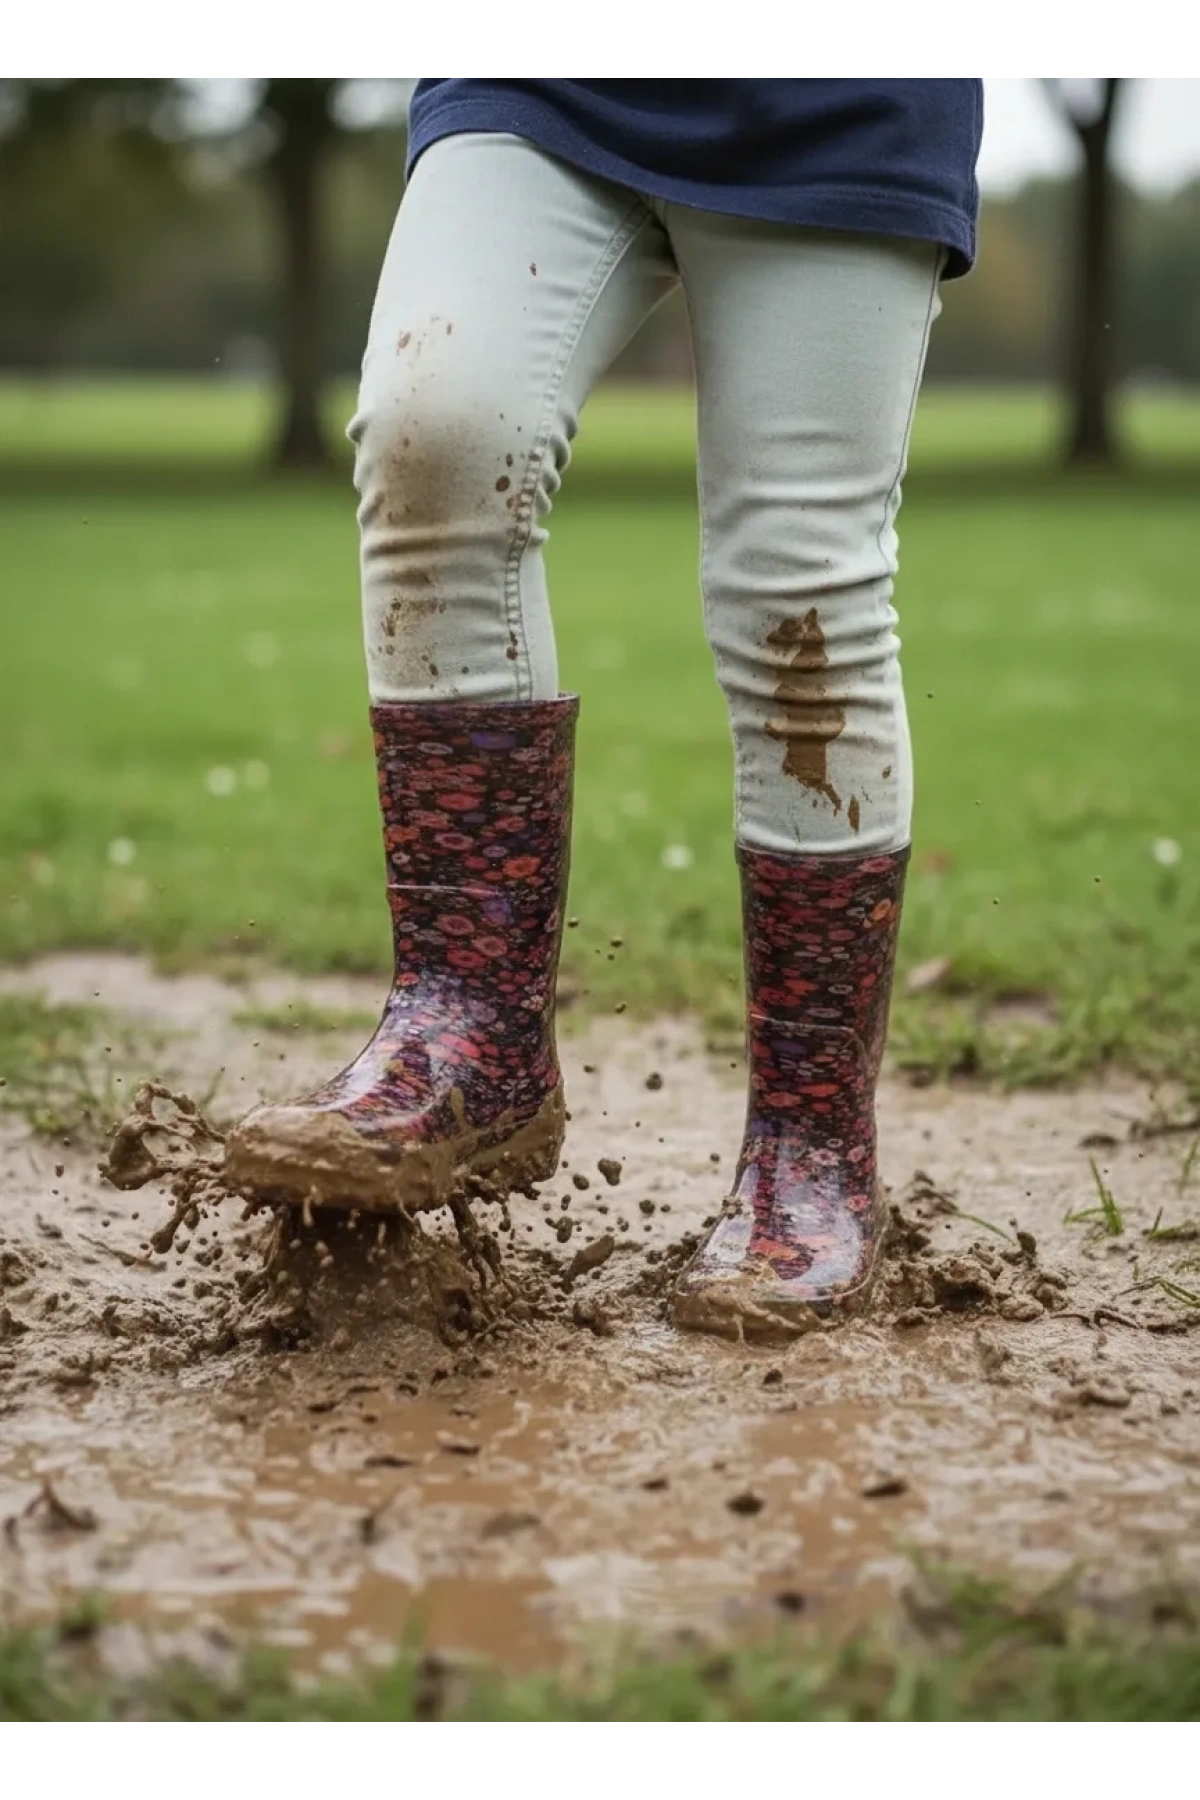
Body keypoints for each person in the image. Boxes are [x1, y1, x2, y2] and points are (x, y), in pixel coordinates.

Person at [226, 75, 983, 1340]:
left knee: (801, 585)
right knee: (436, 433)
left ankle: (810, 1143)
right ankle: (469, 1039)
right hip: (546, 69)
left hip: (841, 85)